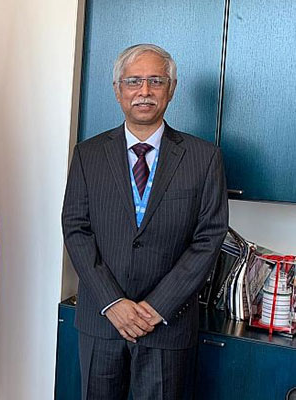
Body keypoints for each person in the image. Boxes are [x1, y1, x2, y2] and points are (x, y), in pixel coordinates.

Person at [61, 44, 228, 400]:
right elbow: (76, 229)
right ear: (117, 89)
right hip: (102, 320)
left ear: (172, 88)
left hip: (168, 324)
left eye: (156, 81)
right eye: (134, 81)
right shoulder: (88, 154)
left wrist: (158, 307)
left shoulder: (204, 157)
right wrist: (112, 302)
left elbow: (209, 238)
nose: (145, 91)